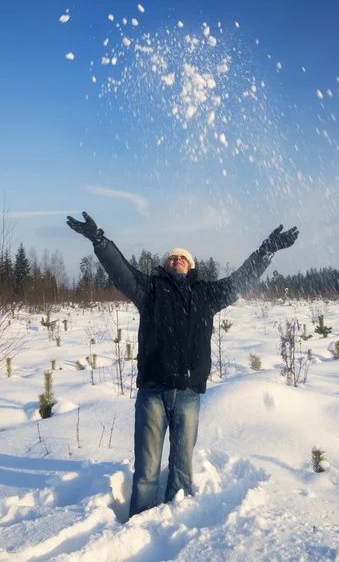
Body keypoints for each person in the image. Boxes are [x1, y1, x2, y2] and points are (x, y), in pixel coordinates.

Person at [66, 212, 299, 517]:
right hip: (153, 391)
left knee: (182, 467)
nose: (177, 259)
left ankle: (175, 522)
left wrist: (265, 251)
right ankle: (141, 522)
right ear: (165, 265)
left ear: (191, 266)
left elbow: (240, 279)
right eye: (172, 257)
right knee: (147, 469)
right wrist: (100, 241)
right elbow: (120, 270)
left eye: (183, 257)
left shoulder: (207, 294)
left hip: (188, 393)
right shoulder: (148, 291)